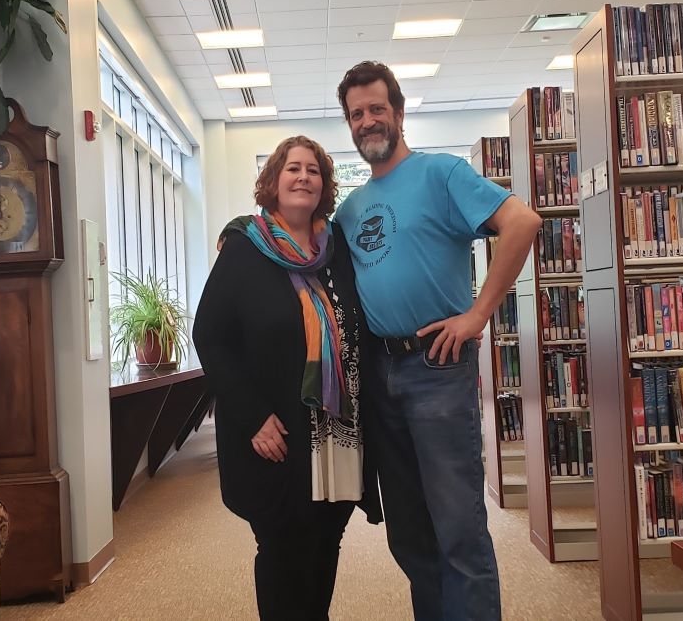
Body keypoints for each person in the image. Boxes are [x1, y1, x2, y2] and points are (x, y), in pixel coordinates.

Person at [333, 61, 543, 620]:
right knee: (408, 534)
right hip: (382, 374)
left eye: (377, 108)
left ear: (398, 113)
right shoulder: (349, 210)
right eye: (356, 114)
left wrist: (478, 315)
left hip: (438, 367)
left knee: (458, 529)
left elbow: (522, 222)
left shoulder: (441, 174)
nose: (367, 120)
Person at [193, 135, 382, 621]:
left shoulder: (337, 253)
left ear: (324, 185)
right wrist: (253, 417)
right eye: (293, 169)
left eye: (314, 170)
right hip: (273, 434)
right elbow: (210, 337)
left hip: (336, 436)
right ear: (273, 182)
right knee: (281, 549)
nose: (304, 177)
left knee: (325, 544)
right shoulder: (243, 250)